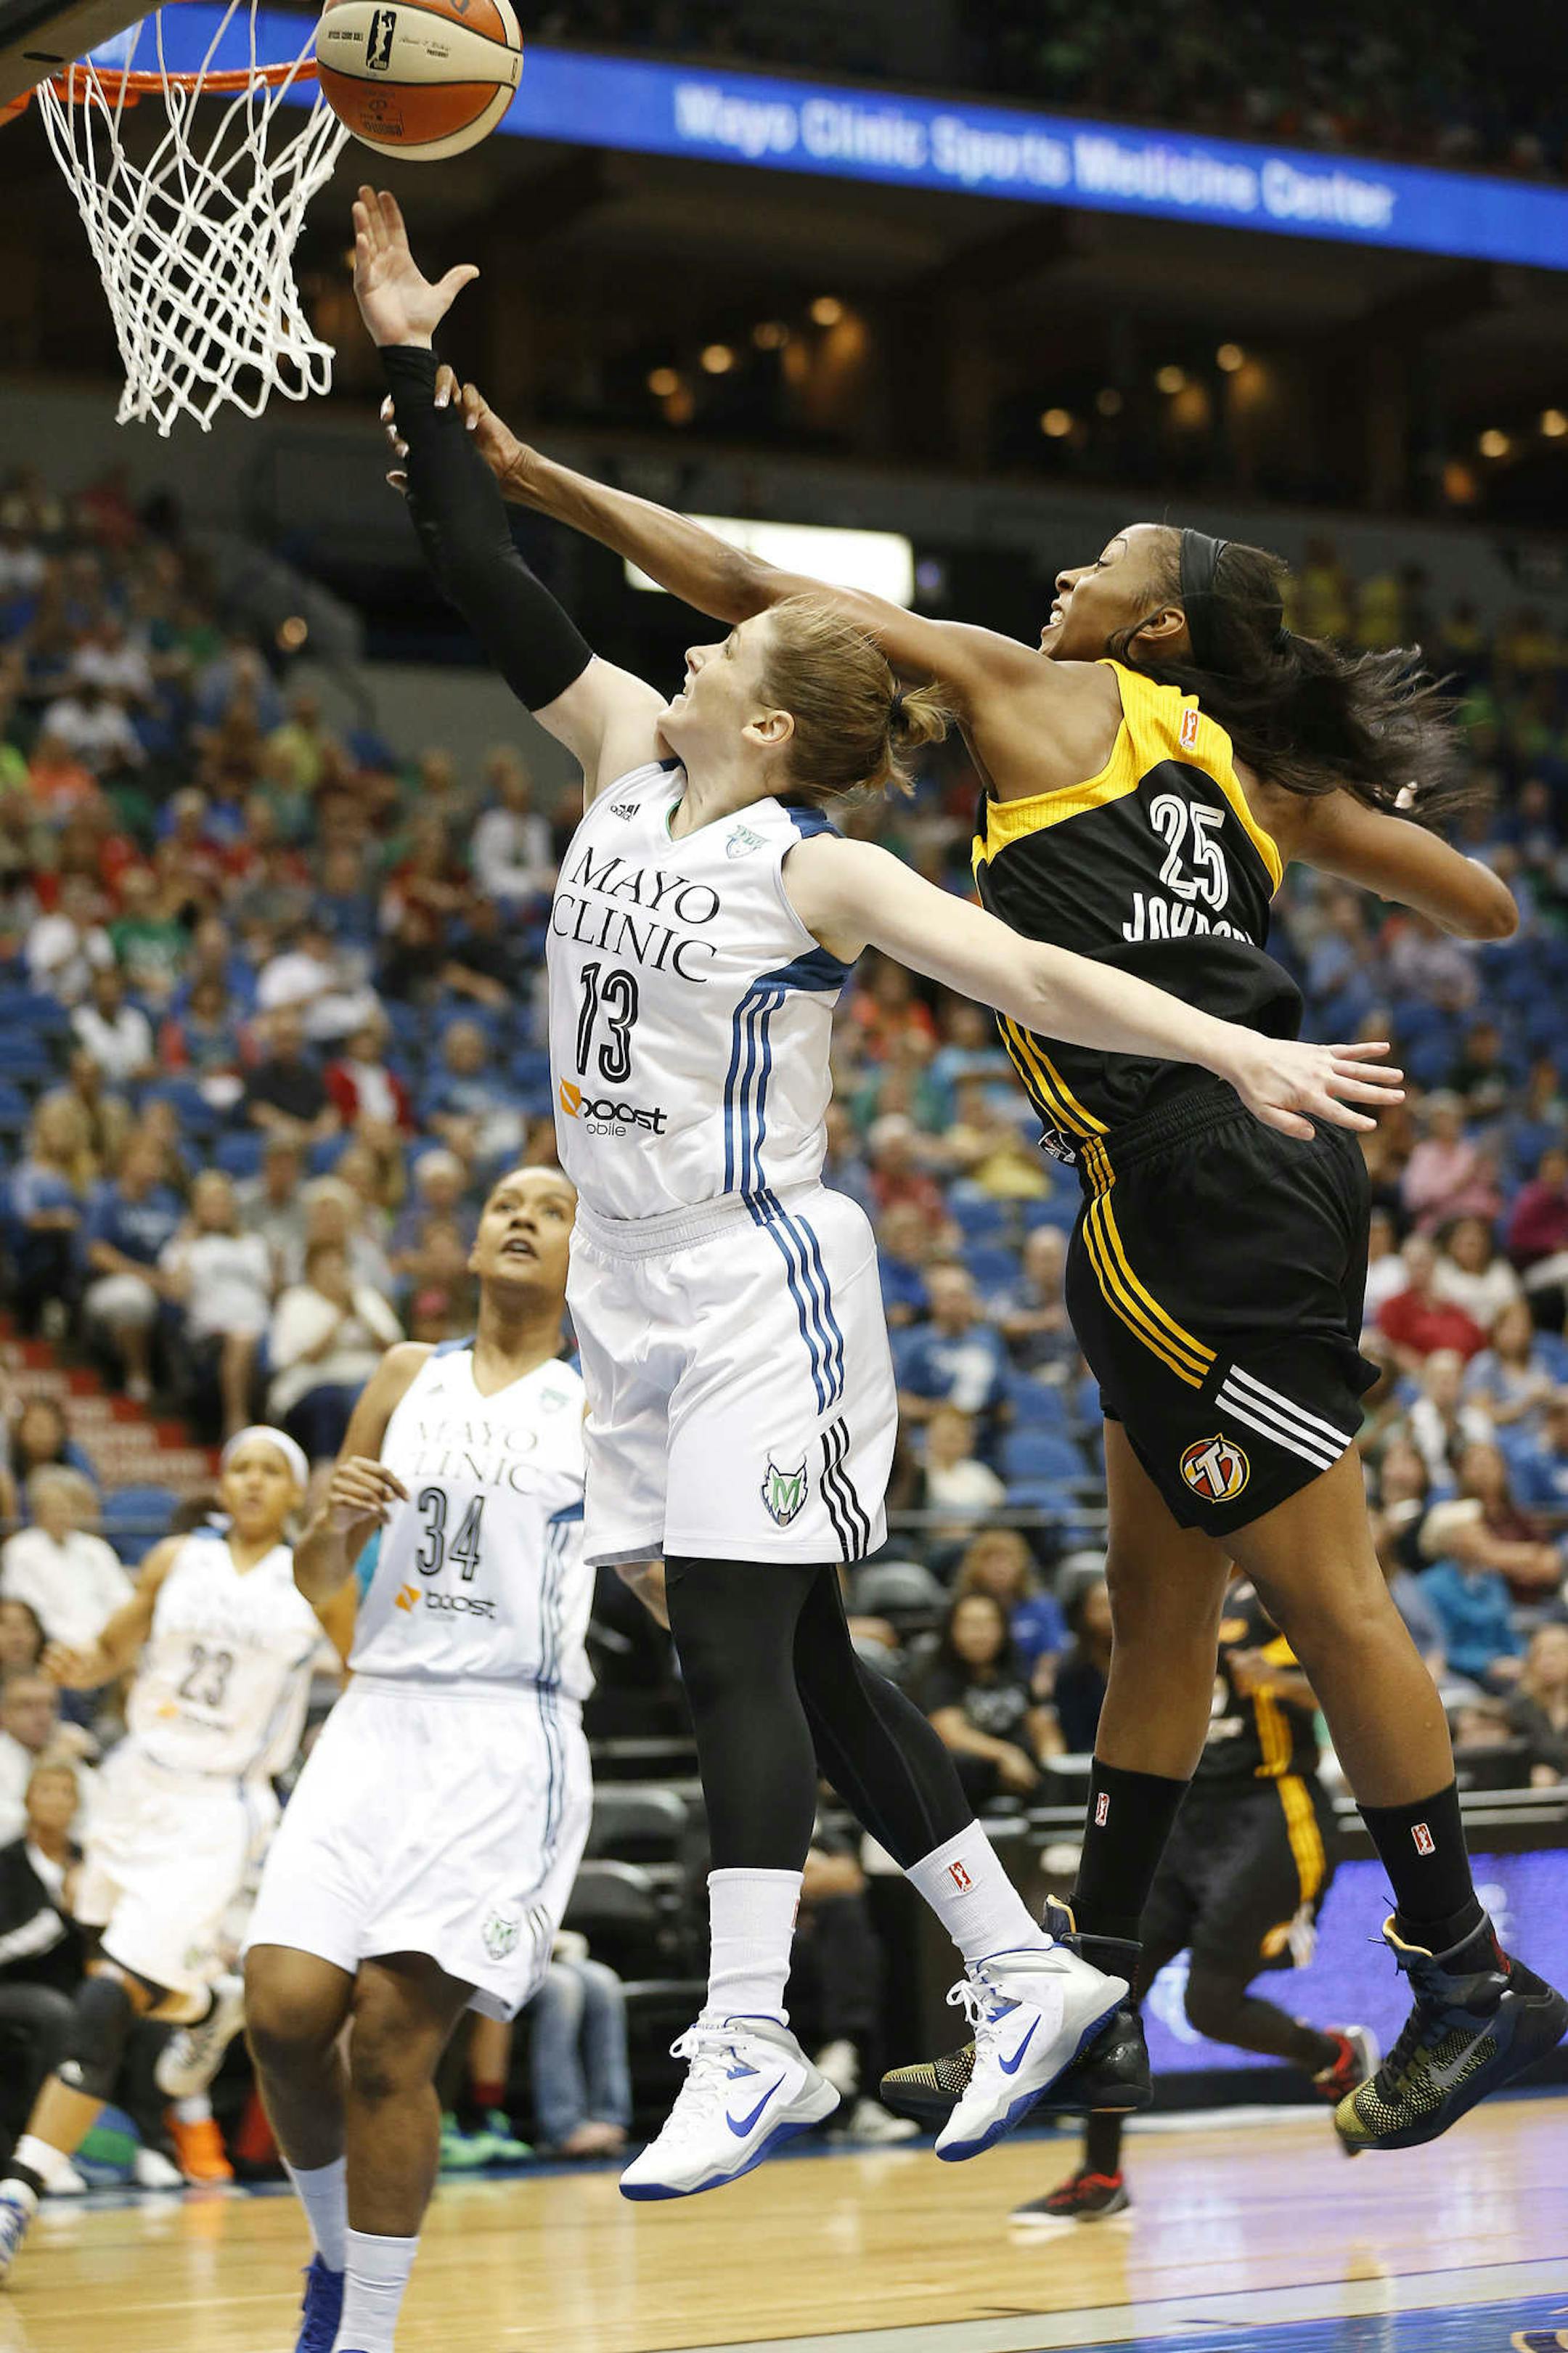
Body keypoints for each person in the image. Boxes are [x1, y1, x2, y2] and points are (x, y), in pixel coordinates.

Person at [361, 185, 1398, 2195]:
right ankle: (1016, 1964)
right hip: (631, 1288)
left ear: (770, 721)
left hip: (766, 1279)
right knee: (795, 1658)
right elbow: (469, 557)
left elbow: (1037, 973)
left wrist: (1243, 1044)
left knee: (753, 1651)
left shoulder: (814, 867)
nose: (687, 636)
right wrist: (410, 364)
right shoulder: (615, 758)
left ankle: (741, 2037)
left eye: (724, 638)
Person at [242, 1165, 594, 2353]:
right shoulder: (404, 1373)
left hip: (506, 1732)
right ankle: (336, 2263)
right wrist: (332, 1520)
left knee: (392, 2038)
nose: (522, 1218)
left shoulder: (602, 1405)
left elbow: (655, 1577)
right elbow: (315, 1578)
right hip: (377, 1715)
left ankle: (367, 2338)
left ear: (582, 1260)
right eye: (507, 1203)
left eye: (551, 1210)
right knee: (284, 2012)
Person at [0, 1428, 346, 2283]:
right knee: (127, 1979)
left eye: (273, 1470)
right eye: (241, 1467)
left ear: (295, 1491)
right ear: (223, 1484)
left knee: (106, 1994)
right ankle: (203, 2009)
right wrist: (88, 1658)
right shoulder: (173, 1561)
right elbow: (119, 1646)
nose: (254, 1481)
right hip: (131, 1787)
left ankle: (18, 2189)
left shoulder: (313, 1578)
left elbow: (370, 1671)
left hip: (217, 1804)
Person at [1005, 1584, 1376, 2228]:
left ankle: (1332, 2057)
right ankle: (1100, 2175)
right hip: (1185, 1813)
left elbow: (1356, 1687)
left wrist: (1277, 1678)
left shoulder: (1298, 1596)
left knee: (1211, 2004)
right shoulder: (1186, 1600)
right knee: (1108, 1992)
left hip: (1272, 1809)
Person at [921, 1593, 1057, 1806]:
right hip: (968, 1785)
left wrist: (1052, 1769)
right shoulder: (937, 1676)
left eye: (987, 1624)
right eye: (969, 1625)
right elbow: (950, 1734)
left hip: (1026, 1777)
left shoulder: (1016, 1670)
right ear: (951, 1630)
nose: (979, 1634)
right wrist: (1005, 1754)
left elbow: (1044, 1728)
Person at [0, 1467, 132, 1654]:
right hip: (49, 1646)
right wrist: (73, 1642)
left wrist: (106, 1638)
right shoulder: (20, 1550)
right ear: (38, 1512)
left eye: (66, 1508)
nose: (60, 1515)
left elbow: (121, 1597)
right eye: (53, 1508)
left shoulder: (96, 1549)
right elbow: (28, 1607)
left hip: (103, 1643)